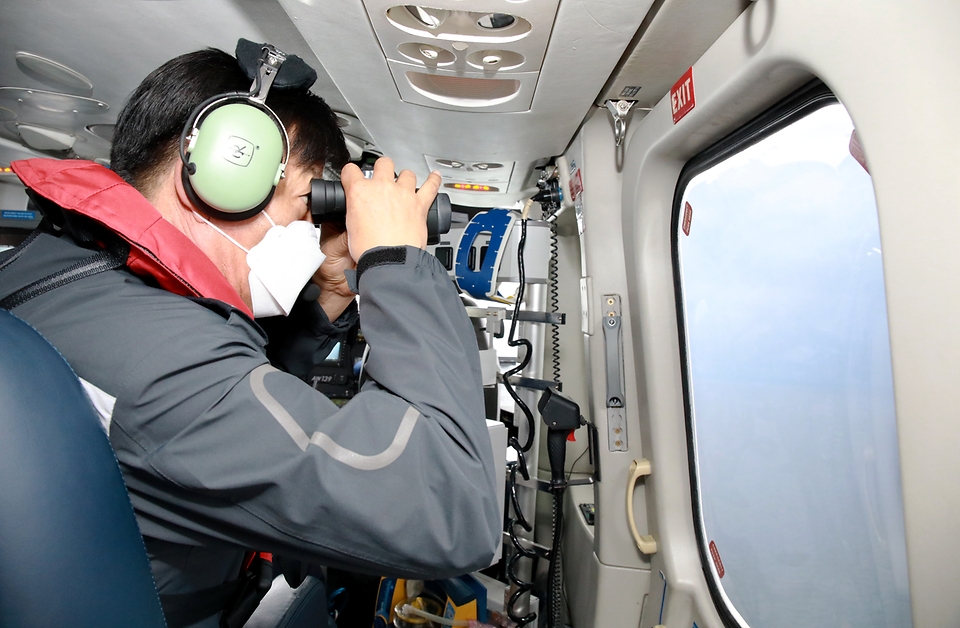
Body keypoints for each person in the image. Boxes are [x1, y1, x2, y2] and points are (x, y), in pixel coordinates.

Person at [0, 44, 500, 628]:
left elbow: (238, 403)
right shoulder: (170, 364)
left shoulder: (67, 273)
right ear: (226, 172)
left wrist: (334, 294)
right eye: (306, 207)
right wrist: (398, 262)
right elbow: (453, 512)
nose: (312, 238)